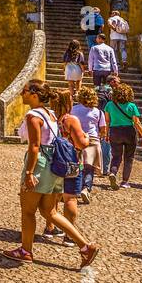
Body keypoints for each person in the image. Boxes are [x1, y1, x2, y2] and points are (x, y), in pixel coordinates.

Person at [2, 80, 99, 268]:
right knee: (50, 211)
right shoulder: (51, 114)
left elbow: (35, 146)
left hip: (40, 165)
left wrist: (29, 172)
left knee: (28, 211)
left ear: (35, 95)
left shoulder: (33, 116)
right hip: (54, 167)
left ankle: (25, 251)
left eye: (25, 91)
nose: (22, 94)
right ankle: (85, 246)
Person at [53, 89, 94, 243]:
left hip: (53, 162)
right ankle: (69, 235)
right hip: (71, 162)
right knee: (70, 198)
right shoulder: (70, 120)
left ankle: (50, 227)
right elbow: (81, 144)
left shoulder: (50, 117)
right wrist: (87, 137)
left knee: (53, 195)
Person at [104, 81, 142, 188]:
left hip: (115, 131)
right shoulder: (132, 106)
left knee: (116, 156)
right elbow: (136, 122)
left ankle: (113, 172)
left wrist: (106, 134)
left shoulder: (109, 105)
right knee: (129, 157)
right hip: (129, 132)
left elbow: (107, 121)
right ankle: (124, 182)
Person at [70, 87, 106, 204]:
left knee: (79, 165)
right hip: (93, 140)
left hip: (76, 139)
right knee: (89, 167)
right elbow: (103, 129)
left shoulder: (73, 110)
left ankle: (76, 188)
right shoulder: (98, 112)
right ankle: (86, 188)